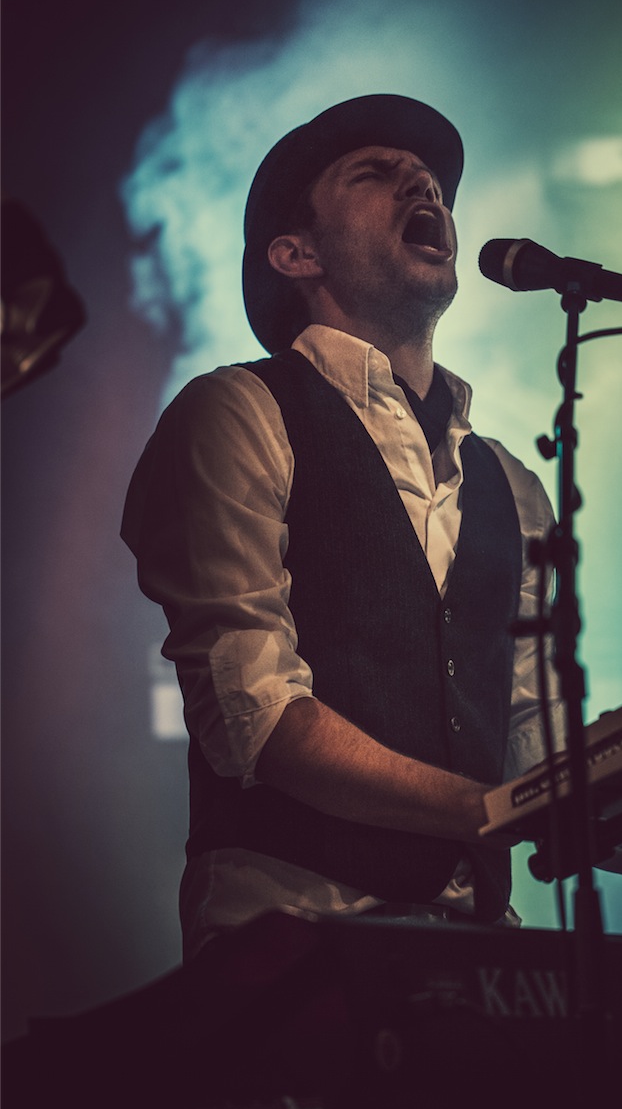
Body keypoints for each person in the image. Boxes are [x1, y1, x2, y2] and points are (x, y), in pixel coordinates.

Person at [121, 94, 562, 963]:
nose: (421, 186)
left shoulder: (514, 486)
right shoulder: (238, 413)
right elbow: (259, 717)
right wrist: (486, 813)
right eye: (376, 174)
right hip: (289, 941)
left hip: (482, 948)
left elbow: (532, 732)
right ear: (298, 254)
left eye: (429, 181)